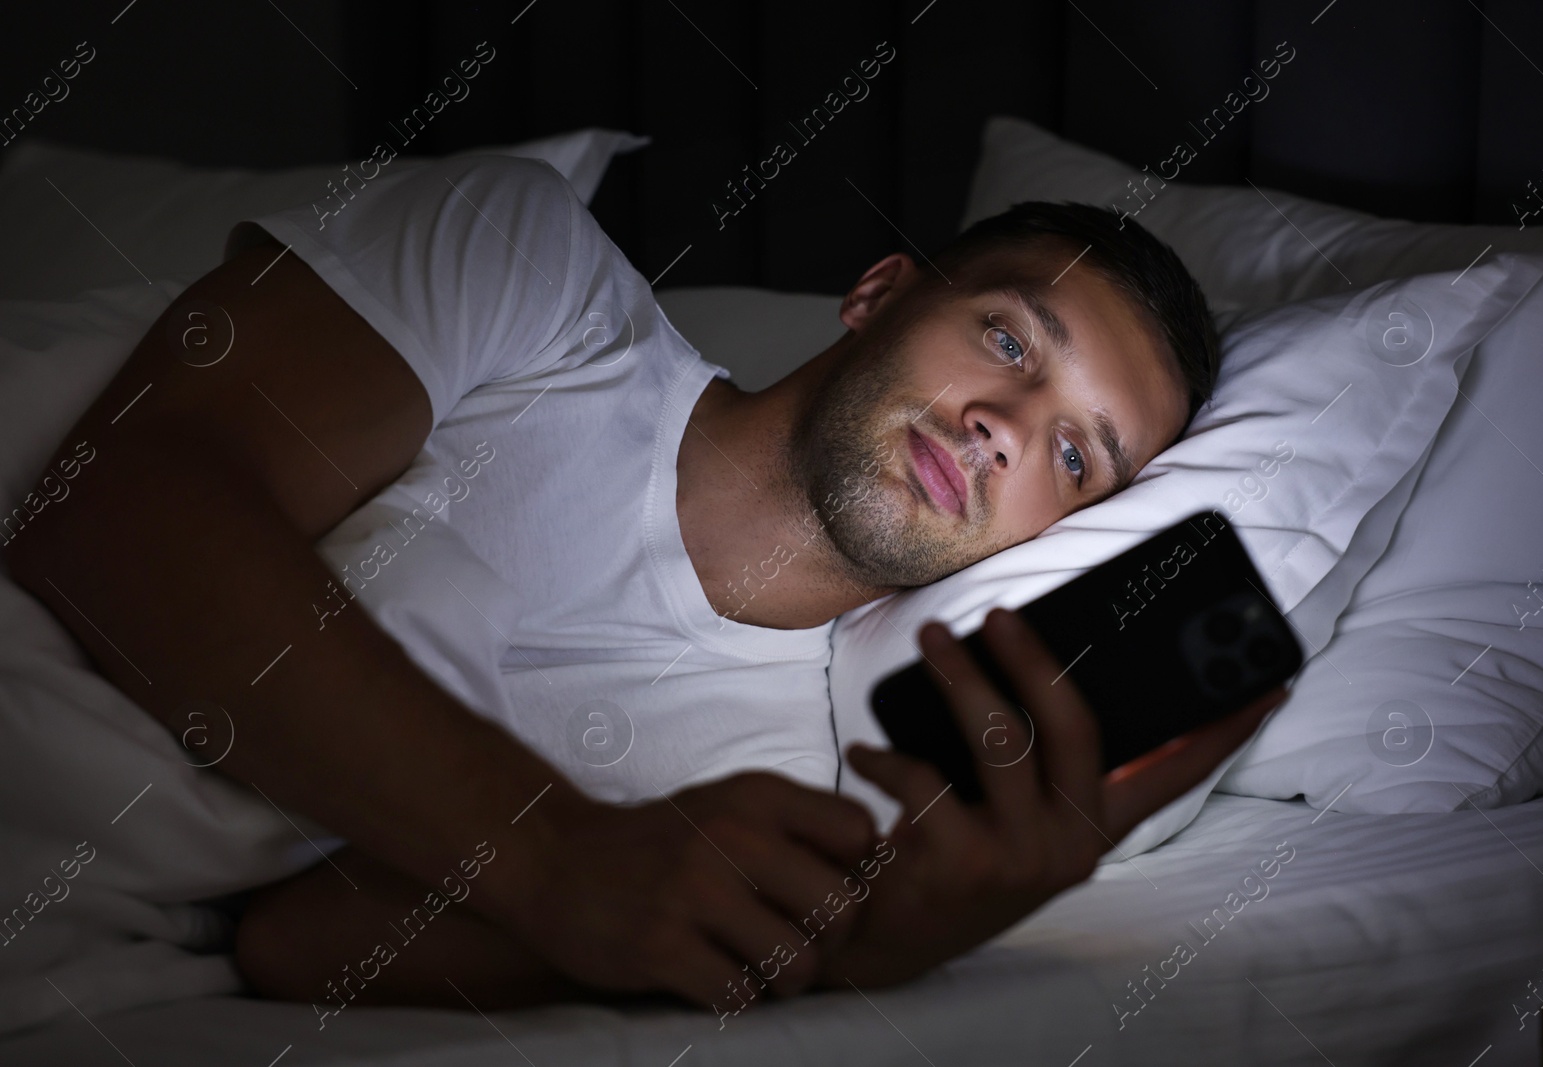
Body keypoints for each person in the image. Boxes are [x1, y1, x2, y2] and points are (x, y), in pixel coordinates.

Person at [1, 153, 1283, 1016]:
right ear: (878, 292)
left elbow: (290, 940)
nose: (1006, 424)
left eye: (1075, 454)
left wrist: (850, 945)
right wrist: (555, 851)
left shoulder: (784, 785)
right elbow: (120, 508)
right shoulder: (533, 272)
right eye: (1008, 338)